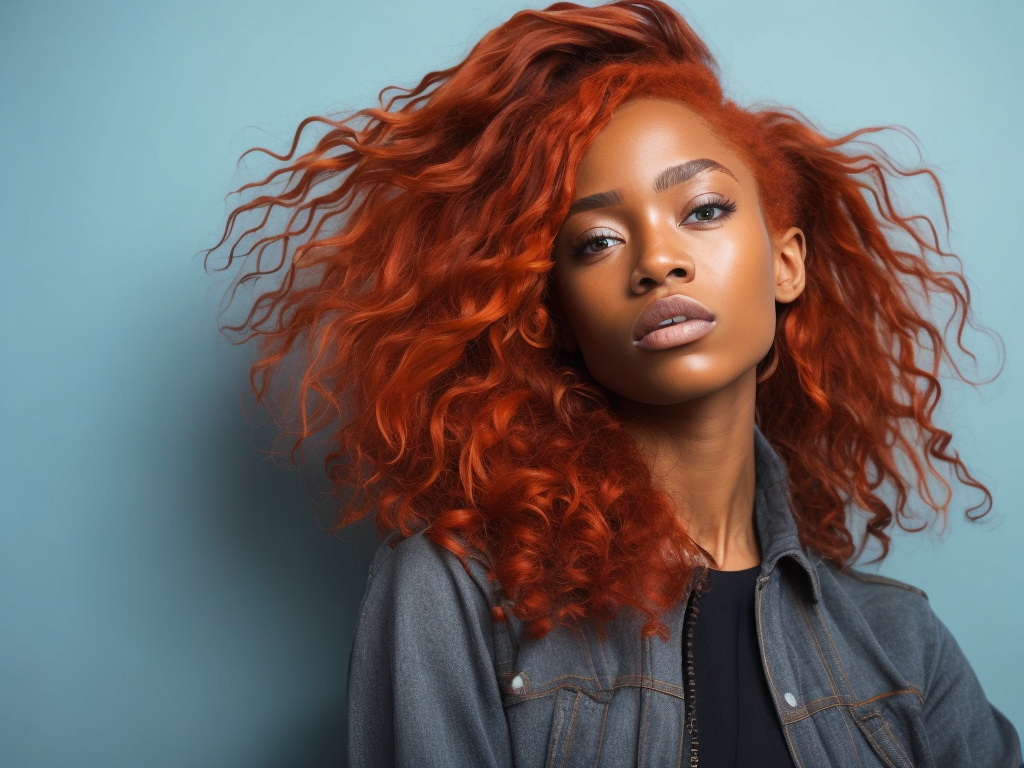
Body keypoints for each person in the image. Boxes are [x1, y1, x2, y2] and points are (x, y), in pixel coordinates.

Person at [206, 1, 1022, 765]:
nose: (656, 260)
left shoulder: (900, 642)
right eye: (595, 241)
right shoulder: (452, 589)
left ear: (786, 263)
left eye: (702, 210)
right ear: (558, 309)